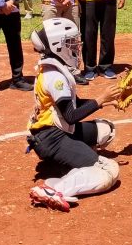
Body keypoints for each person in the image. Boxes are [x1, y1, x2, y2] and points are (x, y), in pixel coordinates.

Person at [26, 18, 122, 212]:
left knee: (106, 129)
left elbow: (74, 104)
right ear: (57, 46)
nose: (76, 46)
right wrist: (100, 99)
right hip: (51, 138)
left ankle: (71, 164)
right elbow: (70, 115)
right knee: (109, 170)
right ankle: (54, 190)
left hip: (54, 131)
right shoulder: (55, 77)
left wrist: (105, 101)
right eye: (70, 42)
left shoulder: (54, 68)